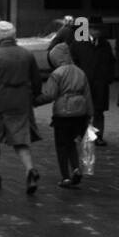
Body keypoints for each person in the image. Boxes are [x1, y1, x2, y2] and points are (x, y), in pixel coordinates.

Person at [0, 21, 42, 193]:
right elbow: (36, 80)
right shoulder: (27, 54)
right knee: (20, 138)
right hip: (21, 103)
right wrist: (33, 97)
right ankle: (30, 169)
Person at [34, 43, 93, 189]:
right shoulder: (80, 72)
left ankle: (65, 177)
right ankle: (76, 168)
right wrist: (89, 115)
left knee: (61, 145)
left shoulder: (57, 73)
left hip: (63, 114)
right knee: (72, 143)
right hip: (80, 113)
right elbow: (88, 95)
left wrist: (34, 101)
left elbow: (50, 95)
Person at [71, 21, 115, 147]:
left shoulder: (104, 44)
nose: (98, 32)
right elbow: (73, 61)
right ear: (88, 30)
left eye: (99, 29)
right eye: (95, 29)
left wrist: (108, 77)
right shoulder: (78, 43)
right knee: (82, 111)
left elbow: (111, 61)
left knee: (99, 111)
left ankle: (97, 137)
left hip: (100, 83)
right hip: (84, 83)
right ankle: (81, 134)